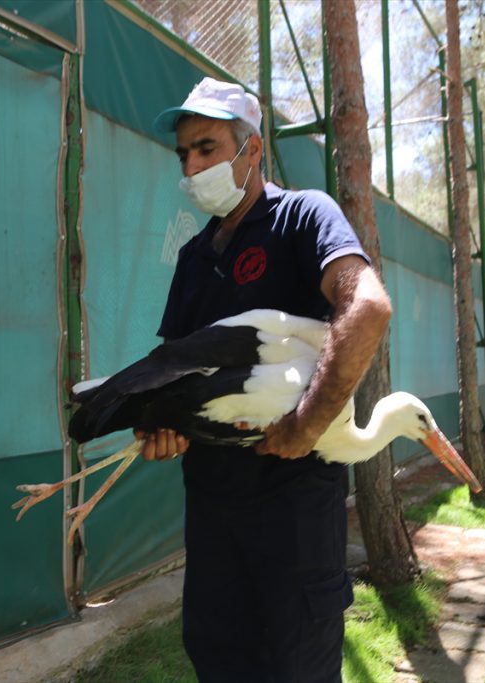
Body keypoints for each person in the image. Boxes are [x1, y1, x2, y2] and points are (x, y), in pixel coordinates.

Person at [142, 77, 392, 682]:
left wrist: (308, 421)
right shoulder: (195, 257)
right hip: (211, 505)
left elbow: (367, 309)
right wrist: (161, 422)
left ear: (252, 151)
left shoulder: (304, 217)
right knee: (218, 658)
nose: (192, 166)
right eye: (184, 155)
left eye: (206, 148)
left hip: (294, 507)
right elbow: (172, 368)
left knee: (296, 665)